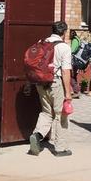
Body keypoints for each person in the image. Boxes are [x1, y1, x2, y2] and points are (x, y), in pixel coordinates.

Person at [29, 20, 74, 157]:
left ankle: (37, 135)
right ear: (64, 32)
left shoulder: (42, 42)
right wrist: (68, 93)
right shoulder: (64, 47)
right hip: (56, 83)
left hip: (41, 83)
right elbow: (66, 71)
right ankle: (60, 148)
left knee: (46, 112)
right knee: (61, 115)